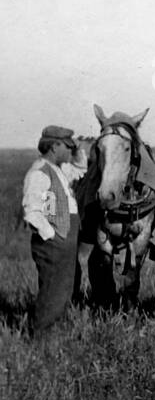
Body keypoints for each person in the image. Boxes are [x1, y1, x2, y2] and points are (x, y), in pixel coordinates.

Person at [22, 125, 88, 336]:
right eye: (67, 146)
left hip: (63, 239)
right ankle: (41, 336)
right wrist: (52, 235)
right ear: (54, 146)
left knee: (63, 289)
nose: (71, 150)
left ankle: (51, 332)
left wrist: (78, 150)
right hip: (54, 242)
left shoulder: (59, 170)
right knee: (53, 290)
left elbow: (80, 169)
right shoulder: (39, 173)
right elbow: (32, 212)